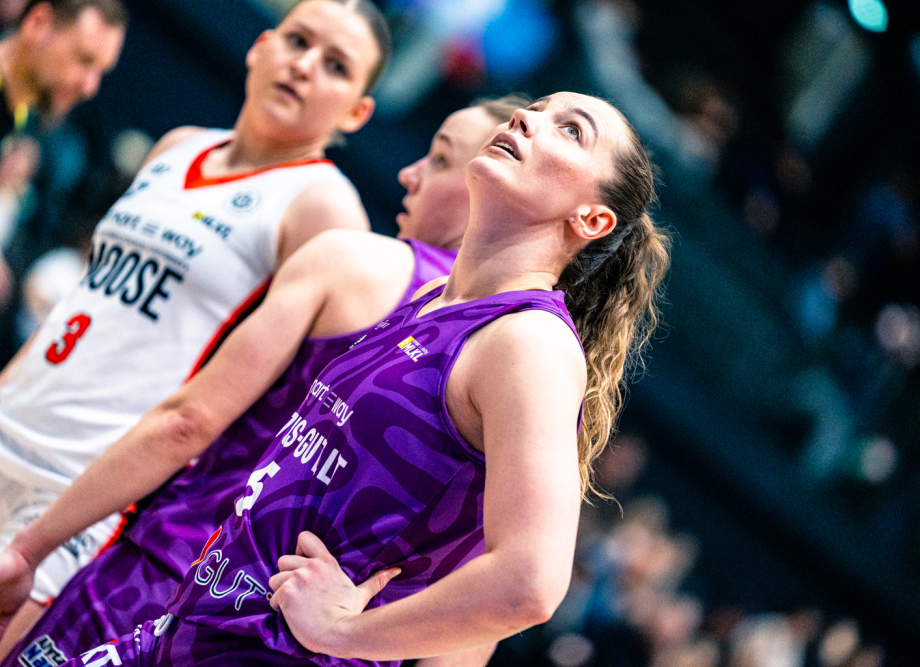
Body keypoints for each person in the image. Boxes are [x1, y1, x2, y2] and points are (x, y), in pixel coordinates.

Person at [7, 91, 672, 665]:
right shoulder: (433, 300)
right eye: (537, 108)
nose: (529, 119)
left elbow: (529, 583)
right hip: (190, 625)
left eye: (570, 130)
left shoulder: (530, 342)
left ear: (592, 220)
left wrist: (347, 632)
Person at [0, 0, 390, 652]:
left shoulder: (324, 208)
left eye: (336, 66)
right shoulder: (178, 145)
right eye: (297, 41)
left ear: (356, 112)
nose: (303, 66)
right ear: (259, 46)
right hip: (14, 417)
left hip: (86, 490)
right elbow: (84, 303)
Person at [0, 0, 127, 329]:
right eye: (84, 60)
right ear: (37, 23)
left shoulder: (24, 126)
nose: (90, 87)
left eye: (101, 72)